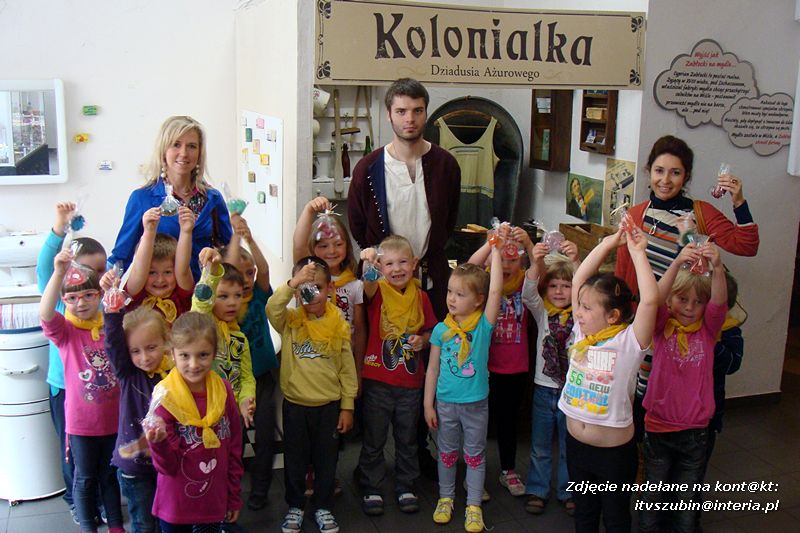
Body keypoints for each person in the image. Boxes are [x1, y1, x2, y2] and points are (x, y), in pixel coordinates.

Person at [613, 135, 759, 451]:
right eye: (659, 170)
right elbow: (624, 277)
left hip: (687, 327)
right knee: (641, 395)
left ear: (687, 176)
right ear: (649, 171)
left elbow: (747, 245)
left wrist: (738, 202)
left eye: (675, 172)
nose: (665, 180)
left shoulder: (700, 213)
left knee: (678, 393)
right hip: (647, 323)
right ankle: (645, 472)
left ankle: (681, 469)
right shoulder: (637, 215)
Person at [559, 227, 658, 533]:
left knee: (615, 518)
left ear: (613, 316)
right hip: (577, 446)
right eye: (580, 306)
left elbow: (650, 302)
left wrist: (638, 252)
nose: (579, 312)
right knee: (585, 514)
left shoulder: (629, 342)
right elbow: (579, 281)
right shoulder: (582, 333)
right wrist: (607, 244)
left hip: (614, 455)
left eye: (587, 308)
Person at [348, 77, 461, 320]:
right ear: (389, 114)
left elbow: (449, 220)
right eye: (401, 111)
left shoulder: (446, 165)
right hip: (382, 282)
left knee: (432, 347)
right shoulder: (368, 168)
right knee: (380, 353)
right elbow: (357, 224)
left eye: (417, 110)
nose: (409, 119)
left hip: (432, 278)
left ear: (425, 112)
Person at [638, 243, 728, 533]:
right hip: (658, 428)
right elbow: (654, 299)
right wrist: (675, 264)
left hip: (694, 431)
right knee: (653, 497)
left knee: (685, 502)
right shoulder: (661, 324)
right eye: (682, 299)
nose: (689, 307)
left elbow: (719, 303)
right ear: (671, 301)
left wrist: (717, 269)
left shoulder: (708, 330)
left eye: (697, 301)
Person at [266, 257, 357, 533]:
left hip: (328, 407)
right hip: (295, 407)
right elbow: (272, 307)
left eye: (317, 286)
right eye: (304, 288)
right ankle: (295, 505)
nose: (311, 293)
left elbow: (346, 367)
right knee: (295, 460)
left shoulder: (338, 323)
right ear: (296, 292)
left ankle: (323, 506)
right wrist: (293, 282)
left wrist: (347, 405)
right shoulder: (291, 321)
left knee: (326, 462)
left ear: (329, 289)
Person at [40, 248, 124, 533]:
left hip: (113, 422)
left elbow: (122, 309)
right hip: (81, 426)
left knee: (109, 476)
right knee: (85, 478)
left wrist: (113, 288)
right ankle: (88, 527)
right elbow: (45, 312)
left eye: (88, 295)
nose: (81, 302)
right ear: (65, 301)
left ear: (98, 297)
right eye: (72, 298)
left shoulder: (110, 325)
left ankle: (116, 526)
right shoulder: (66, 333)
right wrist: (59, 273)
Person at [36, 202, 108, 524]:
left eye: (102, 270)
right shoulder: (62, 301)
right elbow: (44, 269)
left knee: (101, 459)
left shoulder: (102, 304)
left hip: (100, 395)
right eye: (89, 270)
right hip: (65, 387)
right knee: (73, 455)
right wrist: (59, 227)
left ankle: (100, 503)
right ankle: (77, 500)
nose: (95, 277)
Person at [356, 235, 438, 517]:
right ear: (381, 266)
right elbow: (365, 285)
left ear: (414, 264)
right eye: (388, 263)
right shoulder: (376, 290)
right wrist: (367, 262)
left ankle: (406, 485)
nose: (396, 269)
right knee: (374, 438)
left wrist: (423, 341)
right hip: (378, 379)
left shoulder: (422, 296)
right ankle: (371, 487)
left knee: (407, 439)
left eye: (403, 261)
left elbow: (431, 330)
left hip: (411, 383)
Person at [424, 249, 503, 532]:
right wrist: (427, 405)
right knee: (446, 453)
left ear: (478, 301)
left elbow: (495, 291)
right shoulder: (440, 331)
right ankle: (446, 498)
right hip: (445, 404)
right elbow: (432, 369)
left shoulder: (483, 326)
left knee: (474, 455)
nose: (451, 299)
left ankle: (473, 506)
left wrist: (495, 251)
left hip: (475, 404)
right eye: (450, 292)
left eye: (460, 294)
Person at [144, 312, 244, 532]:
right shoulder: (165, 398)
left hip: (213, 503)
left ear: (215, 353)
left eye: (203, 355)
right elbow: (166, 467)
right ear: (172, 354)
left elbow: (234, 447)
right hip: (176, 507)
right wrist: (158, 442)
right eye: (184, 356)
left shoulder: (223, 390)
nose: (194, 364)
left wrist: (233, 495)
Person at [109, 115, 233, 280]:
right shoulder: (142, 198)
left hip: (204, 294)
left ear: (199, 153)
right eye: (176, 145)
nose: (184, 153)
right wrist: (105, 284)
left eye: (191, 146)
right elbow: (121, 256)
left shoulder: (213, 198)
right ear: (163, 150)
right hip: (161, 293)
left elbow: (230, 251)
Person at [100, 278, 172, 533]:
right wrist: (112, 311)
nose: (145, 357)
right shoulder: (128, 374)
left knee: (168, 520)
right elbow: (113, 344)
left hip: (168, 464)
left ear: (166, 341)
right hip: (134, 468)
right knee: (142, 522)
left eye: (152, 348)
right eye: (136, 351)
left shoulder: (172, 375)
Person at [222, 214, 279, 512]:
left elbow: (265, 269)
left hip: (264, 377)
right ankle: (231, 490)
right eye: (239, 274)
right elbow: (229, 272)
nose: (245, 279)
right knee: (235, 440)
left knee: (266, 437)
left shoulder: (257, 294)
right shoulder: (226, 306)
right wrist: (235, 237)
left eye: (249, 273)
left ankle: (260, 490)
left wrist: (250, 238)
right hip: (233, 384)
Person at [522, 240, 580, 516]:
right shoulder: (542, 310)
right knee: (541, 444)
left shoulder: (581, 315)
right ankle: (537, 488)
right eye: (554, 285)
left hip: (572, 390)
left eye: (566, 286)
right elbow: (528, 291)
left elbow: (586, 289)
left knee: (570, 446)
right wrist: (536, 263)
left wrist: (577, 260)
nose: (559, 291)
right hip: (544, 389)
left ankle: (569, 490)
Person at [191, 248, 256, 428]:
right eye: (223, 296)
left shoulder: (240, 338)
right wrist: (213, 271)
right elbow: (200, 303)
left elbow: (247, 377)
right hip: (204, 416)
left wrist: (246, 400)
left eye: (238, 295)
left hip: (233, 417)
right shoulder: (204, 326)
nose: (232, 302)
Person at [125, 206, 195, 324]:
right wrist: (149, 231)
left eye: (167, 272)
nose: (160, 279)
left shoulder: (181, 295)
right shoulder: (136, 295)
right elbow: (139, 271)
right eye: (152, 272)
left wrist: (186, 231)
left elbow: (182, 270)